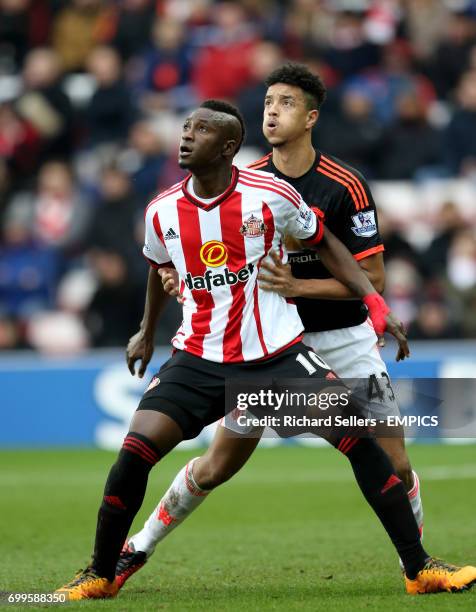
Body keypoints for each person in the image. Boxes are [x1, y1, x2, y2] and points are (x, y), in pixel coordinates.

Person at [56, 100, 471, 600]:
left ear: (229, 146)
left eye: (202, 130)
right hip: (198, 357)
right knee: (135, 453)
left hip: (276, 357)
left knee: (362, 440)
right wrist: (146, 331)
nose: (186, 136)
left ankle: (419, 568)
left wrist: (373, 300)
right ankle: (101, 573)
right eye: (186, 127)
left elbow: (326, 243)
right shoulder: (162, 208)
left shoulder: (271, 195)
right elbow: (156, 265)